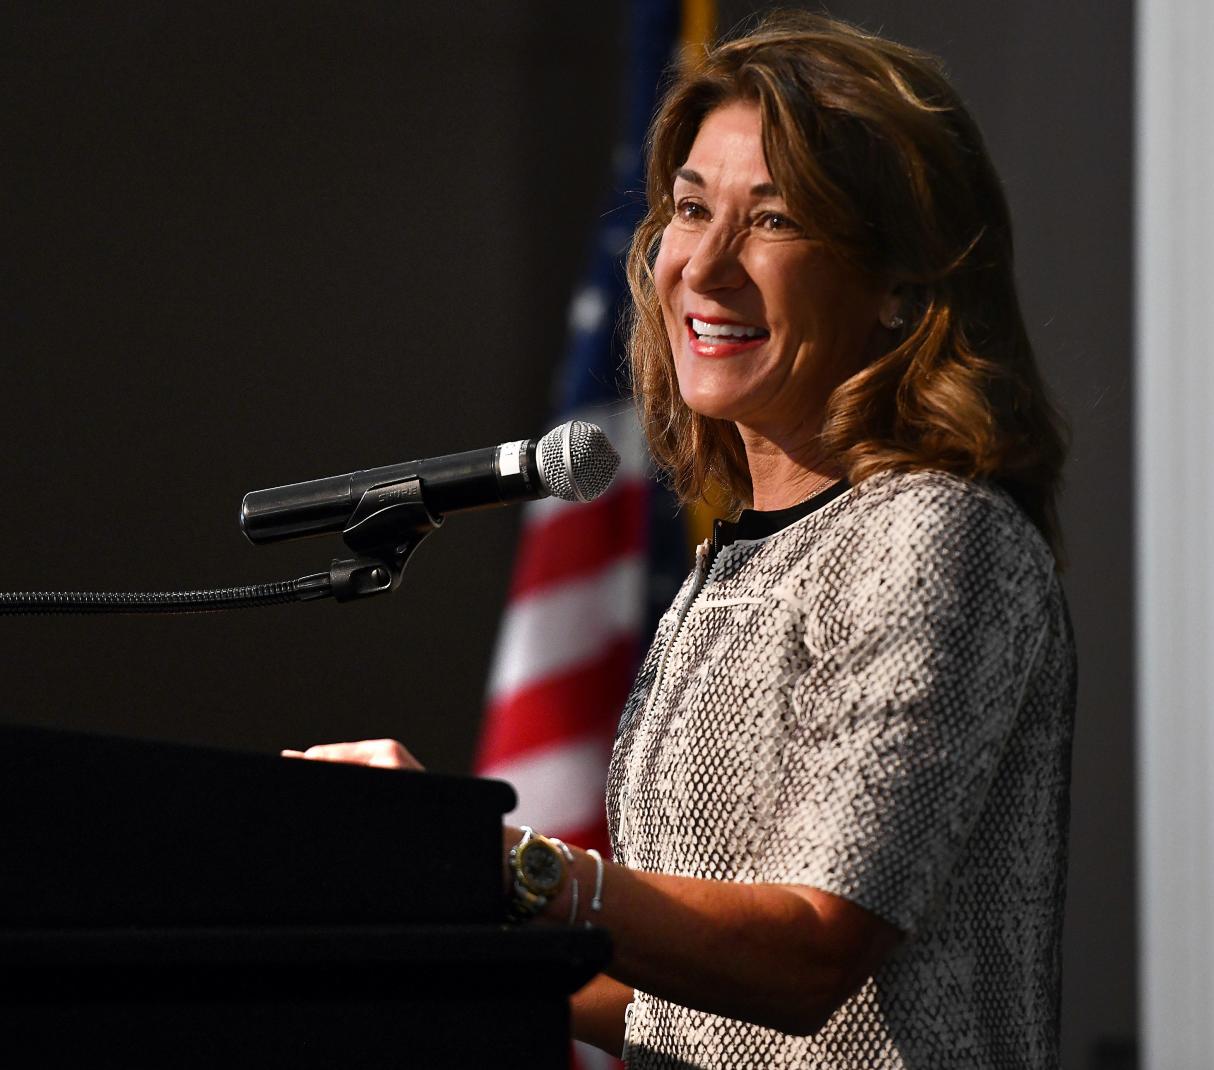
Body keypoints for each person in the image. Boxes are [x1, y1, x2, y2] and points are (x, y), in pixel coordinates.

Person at [284, 12, 1076, 1068]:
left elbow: (809, 956)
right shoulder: (738, 558)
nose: (702, 267)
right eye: (691, 209)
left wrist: (508, 866)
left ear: (903, 284)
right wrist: (423, 891)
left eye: (775, 219)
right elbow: (691, 1013)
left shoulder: (934, 534)